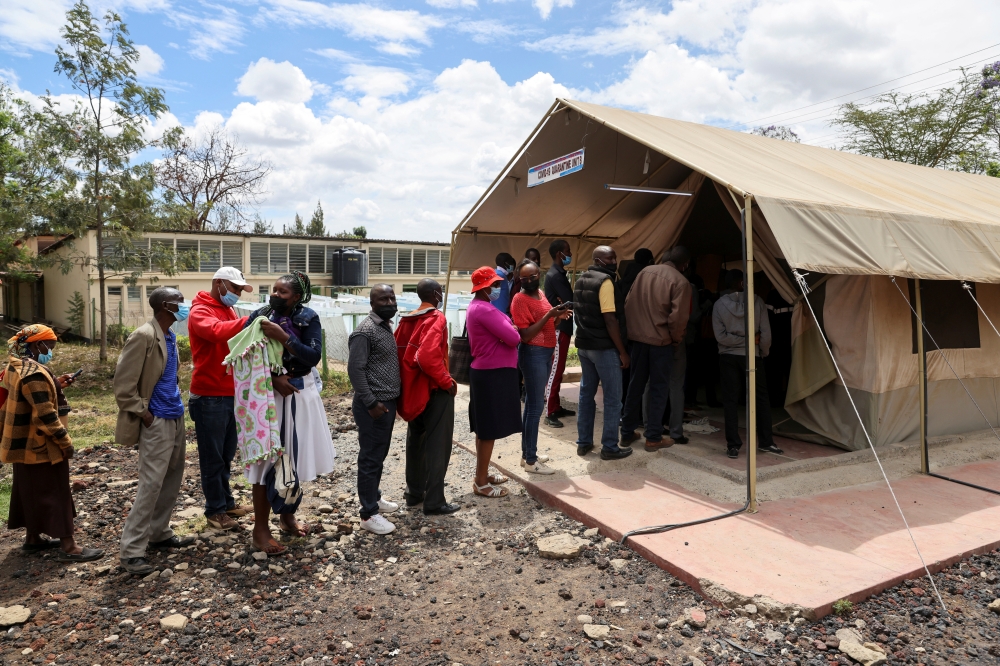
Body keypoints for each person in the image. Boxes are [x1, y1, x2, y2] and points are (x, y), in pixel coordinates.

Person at [246, 271, 336, 551]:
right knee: (267, 461)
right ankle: (260, 531)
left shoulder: (308, 317)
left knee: (293, 458)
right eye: (273, 290)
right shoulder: (259, 316)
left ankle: (287, 517)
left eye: (282, 292)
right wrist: (273, 379)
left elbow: (312, 356)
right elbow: (244, 356)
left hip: (301, 394)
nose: (275, 295)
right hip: (268, 396)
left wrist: (283, 337)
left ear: (296, 297)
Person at [1, 325, 103, 562]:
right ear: (38, 345)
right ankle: (70, 547)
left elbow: (27, 397)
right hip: (39, 445)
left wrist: (56, 383)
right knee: (56, 492)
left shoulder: (16, 366)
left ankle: (33, 539)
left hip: (20, 444)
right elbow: (45, 415)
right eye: (51, 346)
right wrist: (65, 442)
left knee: (28, 489)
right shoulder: (34, 374)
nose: (52, 351)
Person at [116, 288, 195, 574]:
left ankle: (159, 533)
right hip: (156, 420)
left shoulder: (170, 336)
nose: (184, 306)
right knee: (150, 484)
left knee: (172, 479)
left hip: (174, 417)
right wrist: (145, 414)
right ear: (166, 305)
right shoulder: (144, 336)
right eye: (180, 301)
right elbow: (123, 386)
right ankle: (132, 551)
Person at [188, 267, 254, 532]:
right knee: (212, 457)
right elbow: (216, 332)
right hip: (209, 395)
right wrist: (249, 321)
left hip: (230, 392)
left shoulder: (228, 309)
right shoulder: (200, 311)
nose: (237, 294)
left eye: (239, 290)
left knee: (226, 454)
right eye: (234, 288)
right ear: (218, 283)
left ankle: (226, 503)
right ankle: (214, 510)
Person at [394, 279, 460, 516]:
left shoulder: (406, 320)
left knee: (415, 441)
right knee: (437, 445)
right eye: (440, 291)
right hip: (433, 390)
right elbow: (427, 357)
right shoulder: (436, 318)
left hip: (413, 391)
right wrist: (446, 381)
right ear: (435, 294)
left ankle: (414, 493)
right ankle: (434, 501)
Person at [620, 247, 692, 451]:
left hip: (638, 340)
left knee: (636, 386)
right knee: (660, 390)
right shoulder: (681, 282)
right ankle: (653, 437)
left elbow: (628, 303)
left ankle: (626, 432)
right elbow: (678, 319)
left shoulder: (644, 272)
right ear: (684, 264)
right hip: (661, 343)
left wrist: (633, 332)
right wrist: (676, 340)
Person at [348, 283, 402, 534]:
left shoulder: (384, 327)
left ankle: (375, 498)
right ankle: (368, 514)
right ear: (372, 303)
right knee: (370, 458)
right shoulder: (365, 331)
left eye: (392, 298)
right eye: (383, 299)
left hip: (384, 404)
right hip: (373, 406)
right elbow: (355, 370)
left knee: (378, 456)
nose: (390, 303)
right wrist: (371, 402)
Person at [713, 269, 784, 459]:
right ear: (743, 284)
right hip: (753, 356)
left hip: (728, 357)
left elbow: (720, 337)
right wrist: (758, 347)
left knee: (730, 400)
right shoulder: (758, 301)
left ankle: (733, 444)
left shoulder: (719, 305)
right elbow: (766, 334)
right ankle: (766, 442)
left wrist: (735, 340)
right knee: (761, 398)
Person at [511, 259, 572, 474]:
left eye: (533, 276)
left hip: (546, 352)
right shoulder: (520, 299)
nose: (528, 280)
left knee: (532, 406)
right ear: (519, 279)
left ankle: (528, 454)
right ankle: (531, 461)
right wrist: (550, 314)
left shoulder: (541, 294)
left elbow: (547, 324)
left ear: (539, 274)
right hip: (533, 354)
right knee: (535, 408)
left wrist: (558, 317)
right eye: (524, 278)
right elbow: (526, 335)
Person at [573, 246, 632, 460]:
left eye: (615, 257)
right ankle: (609, 447)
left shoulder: (580, 279)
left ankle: (584, 442)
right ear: (598, 260)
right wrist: (622, 351)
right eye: (610, 258)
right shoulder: (606, 282)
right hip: (604, 348)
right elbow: (610, 319)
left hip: (584, 346)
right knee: (613, 399)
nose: (614, 261)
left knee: (586, 395)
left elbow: (579, 314)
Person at [466, 266, 519, 496]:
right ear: (485, 288)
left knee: (484, 429)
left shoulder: (478, 307)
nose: (498, 288)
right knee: (488, 430)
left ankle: (483, 473)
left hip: (487, 371)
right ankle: (480, 482)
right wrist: (509, 329)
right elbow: (514, 336)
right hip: (492, 373)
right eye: (495, 285)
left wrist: (507, 329)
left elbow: (507, 332)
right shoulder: (485, 310)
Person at [543, 239, 576, 427]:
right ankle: (550, 411)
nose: (569, 254)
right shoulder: (555, 275)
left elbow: (566, 301)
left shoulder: (559, 274)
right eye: (568, 251)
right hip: (558, 327)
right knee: (555, 370)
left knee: (559, 369)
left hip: (563, 326)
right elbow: (569, 301)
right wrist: (565, 302)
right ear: (559, 254)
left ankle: (555, 406)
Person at [618, 248, 655, 411]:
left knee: (625, 374)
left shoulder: (623, 280)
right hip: (640, 333)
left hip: (623, 332)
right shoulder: (646, 280)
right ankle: (636, 412)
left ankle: (623, 409)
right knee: (639, 376)